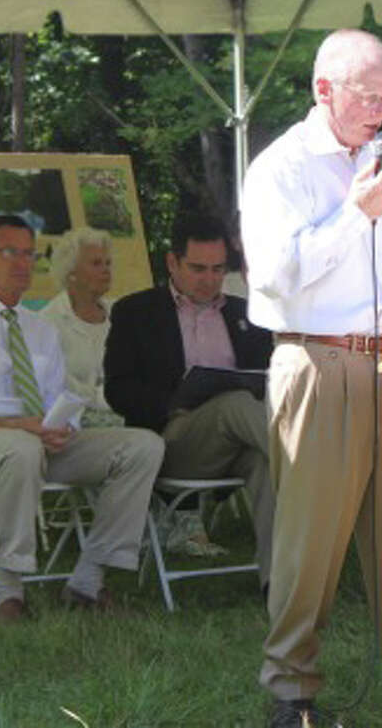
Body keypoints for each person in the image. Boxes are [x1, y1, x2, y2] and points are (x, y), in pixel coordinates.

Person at [241, 28, 382, 728]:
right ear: (323, 89)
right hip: (317, 358)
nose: (380, 111)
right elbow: (276, 275)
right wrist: (352, 215)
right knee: (310, 540)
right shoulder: (281, 167)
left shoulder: (371, 156)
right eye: (367, 96)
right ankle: (292, 691)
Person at [0, 214, 163, 621]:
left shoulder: (39, 327)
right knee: (20, 448)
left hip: (39, 442)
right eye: (10, 252)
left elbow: (56, 397)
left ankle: (88, 579)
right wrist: (12, 427)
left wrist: (63, 426)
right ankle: (9, 592)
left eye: (30, 254)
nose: (22, 263)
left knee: (142, 446)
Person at [104, 213, 275, 581]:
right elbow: (117, 388)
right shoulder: (137, 312)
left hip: (237, 441)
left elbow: (266, 376)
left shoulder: (246, 315)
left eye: (217, 269)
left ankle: (279, 585)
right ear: (172, 262)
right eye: (197, 268)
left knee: (265, 464)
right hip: (172, 440)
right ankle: (311, 468)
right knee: (235, 405)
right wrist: (173, 402)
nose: (209, 279)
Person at [39, 227, 124, 428]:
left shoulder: (122, 315)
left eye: (108, 263)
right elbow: (59, 388)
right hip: (73, 424)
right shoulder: (47, 323)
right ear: (70, 272)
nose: (106, 270)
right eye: (96, 263)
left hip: (125, 412)